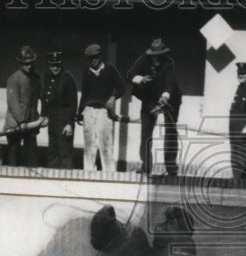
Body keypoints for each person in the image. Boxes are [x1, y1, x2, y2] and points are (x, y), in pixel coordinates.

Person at [127, 38, 182, 177]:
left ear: (163, 55)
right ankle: (146, 166)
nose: (156, 59)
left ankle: (171, 168)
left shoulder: (169, 63)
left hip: (170, 99)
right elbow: (130, 74)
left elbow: (169, 83)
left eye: (159, 56)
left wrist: (165, 96)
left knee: (170, 131)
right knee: (146, 133)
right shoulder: (144, 59)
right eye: (153, 56)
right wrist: (141, 79)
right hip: (150, 99)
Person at [77, 44, 124, 173]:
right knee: (89, 146)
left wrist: (113, 97)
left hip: (104, 112)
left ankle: (109, 176)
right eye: (91, 58)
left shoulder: (110, 70)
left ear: (101, 56)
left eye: (96, 57)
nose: (94, 60)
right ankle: (88, 174)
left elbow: (121, 88)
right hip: (89, 111)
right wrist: (79, 112)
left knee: (106, 146)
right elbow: (84, 95)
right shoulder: (86, 73)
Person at [3, 45, 42, 167]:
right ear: (20, 63)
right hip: (15, 123)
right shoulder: (13, 79)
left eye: (31, 63)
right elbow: (13, 102)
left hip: (31, 122)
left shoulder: (36, 79)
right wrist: (21, 121)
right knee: (14, 155)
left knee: (32, 156)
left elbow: (40, 97)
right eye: (25, 63)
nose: (29, 66)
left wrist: (43, 116)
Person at [41, 50, 78, 169]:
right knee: (52, 151)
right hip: (52, 119)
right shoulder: (47, 76)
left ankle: (65, 181)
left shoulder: (68, 78)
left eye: (57, 65)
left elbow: (73, 103)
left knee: (65, 153)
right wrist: (44, 115)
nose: (55, 68)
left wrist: (70, 124)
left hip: (64, 120)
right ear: (49, 65)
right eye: (52, 65)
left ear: (61, 64)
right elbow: (44, 97)